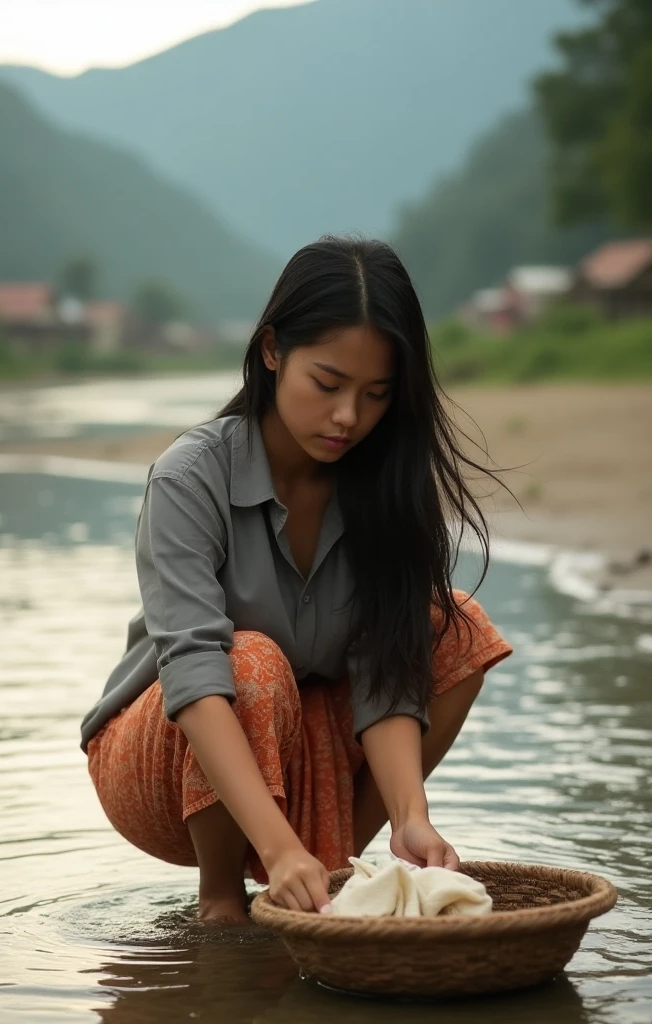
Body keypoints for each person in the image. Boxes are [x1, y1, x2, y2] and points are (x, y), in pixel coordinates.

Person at [81, 236, 512, 925]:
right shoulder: (190, 476)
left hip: (297, 741)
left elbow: (386, 669)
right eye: (328, 384)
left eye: (376, 395)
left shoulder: (384, 488)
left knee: (456, 628)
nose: (349, 418)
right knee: (249, 660)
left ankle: (333, 877)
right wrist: (277, 849)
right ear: (273, 350)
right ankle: (221, 904)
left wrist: (411, 816)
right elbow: (192, 672)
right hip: (159, 758)